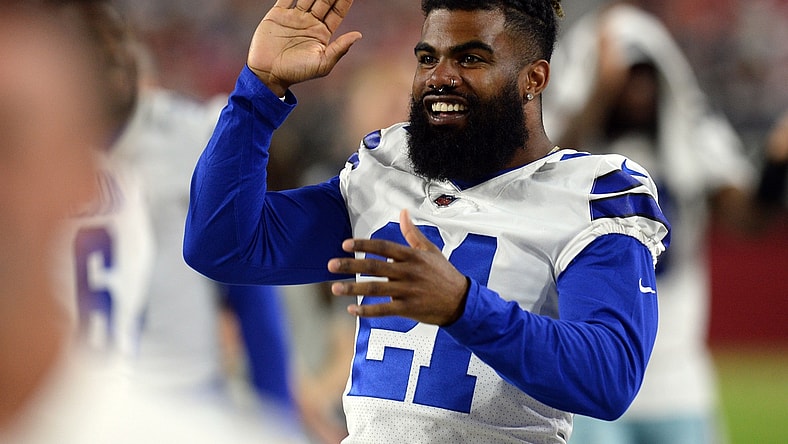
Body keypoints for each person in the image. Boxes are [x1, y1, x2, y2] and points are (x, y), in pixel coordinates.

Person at [184, 0, 671, 442]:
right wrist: (259, 90)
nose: (440, 76)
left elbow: (609, 378)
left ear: (534, 79)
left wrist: (463, 305)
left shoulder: (590, 194)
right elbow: (224, 246)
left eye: (471, 59)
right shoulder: (387, 173)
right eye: (427, 57)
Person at [542, 2, 786, 443]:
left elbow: (748, 217)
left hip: (677, 375)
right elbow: (543, 173)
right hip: (595, 370)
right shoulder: (572, 160)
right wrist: (599, 90)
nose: (637, 92)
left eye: (644, 77)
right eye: (624, 81)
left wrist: (775, 166)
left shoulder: (689, 143)